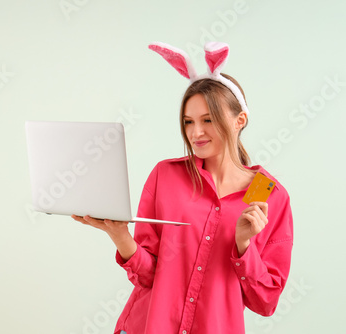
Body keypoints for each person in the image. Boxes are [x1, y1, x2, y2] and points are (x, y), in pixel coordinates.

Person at [72, 42, 293, 334]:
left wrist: (243, 246)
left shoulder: (267, 194)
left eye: (208, 120)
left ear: (240, 120)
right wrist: (119, 235)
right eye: (188, 122)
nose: (195, 132)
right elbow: (149, 275)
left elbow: (265, 301)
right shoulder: (166, 175)